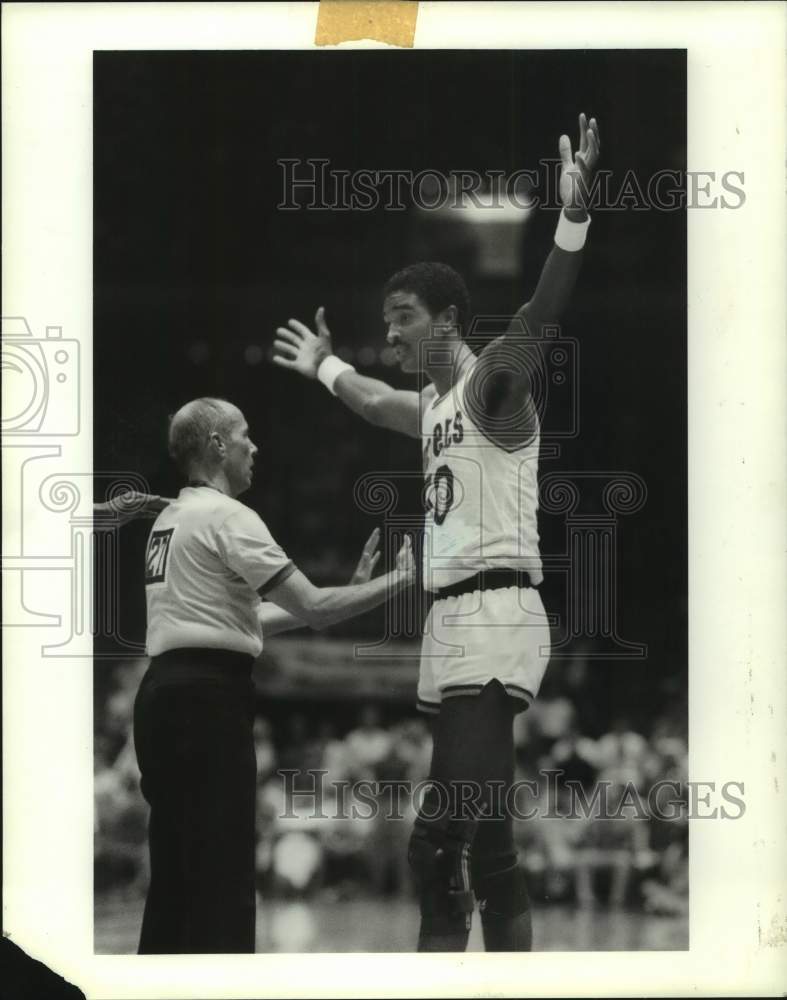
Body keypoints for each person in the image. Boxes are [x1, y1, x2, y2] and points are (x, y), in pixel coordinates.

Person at [273, 114, 600, 952]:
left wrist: (571, 218)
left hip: (496, 612)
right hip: (450, 620)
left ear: (448, 320)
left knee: (433, 843)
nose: (390, 334)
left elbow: (538, 317)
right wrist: (325, 366)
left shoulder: (493, 385)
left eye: (403, 319)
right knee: (486, 848)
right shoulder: (430, 408)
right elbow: (377, 401)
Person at [134, 396, 414, 953]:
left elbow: (246, 618)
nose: (253, 446)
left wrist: (353, 595)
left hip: (162, 695)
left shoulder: (172, 518)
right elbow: (312, 604)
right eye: (244, 435)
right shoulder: (230, 516)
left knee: (176, 872)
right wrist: (397, 583)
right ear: (217, 445)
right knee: (225, 869)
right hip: (209, 700)